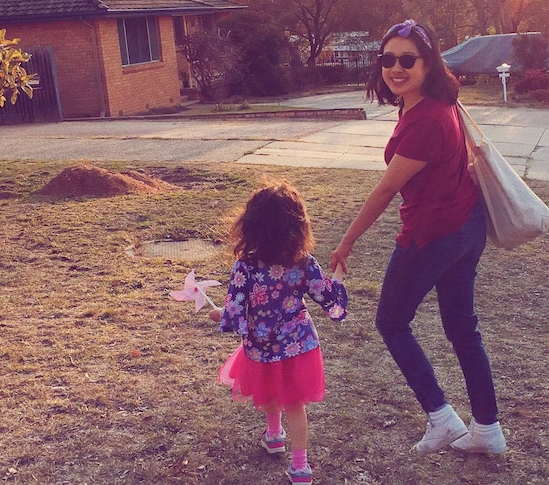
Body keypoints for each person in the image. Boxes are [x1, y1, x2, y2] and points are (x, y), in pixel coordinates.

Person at [330, 19, 507, 456]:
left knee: (390, 322)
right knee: (463, 330)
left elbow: (388, 188)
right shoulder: (432, 103)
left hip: (432, 236)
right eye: (387, 59)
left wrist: (347, 241)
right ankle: (487, 430)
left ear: (428, 63)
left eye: (407, 59)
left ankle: (443, 419)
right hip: (466, 229)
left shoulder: (425, 118)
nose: (396, 67)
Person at [210, 180, 348, 485]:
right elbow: (330, 300)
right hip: (299, 346)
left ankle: (274, 434)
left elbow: (234, 310)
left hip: (262, 347)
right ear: (297, 227)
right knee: (295, 404)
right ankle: (299, 466)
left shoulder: (245, 267)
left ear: (251, 226)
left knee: (268, 390)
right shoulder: (303, 263)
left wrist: (219, 314)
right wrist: (338, 277)